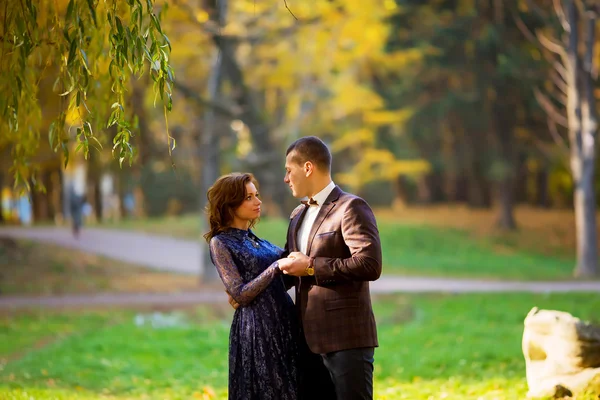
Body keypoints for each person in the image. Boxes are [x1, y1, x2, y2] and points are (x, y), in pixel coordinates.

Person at [229, 136, 383, 400]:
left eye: (289, 170)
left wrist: (311, 266)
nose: (286, 179)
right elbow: (289, 269)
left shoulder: (350, 207)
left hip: (346, 339)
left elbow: (369, 264)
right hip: (305, 342)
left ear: (308, 168)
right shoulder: (297, 215)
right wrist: (247, 292)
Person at [205, 172, 300, 400]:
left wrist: (299, 217)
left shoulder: (254, 238)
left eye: (256, 195)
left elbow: (285, 273)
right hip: (257, 331)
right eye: (248, 197)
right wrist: (276, 266)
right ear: (230, 203)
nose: (257, 202)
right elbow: (240, 294)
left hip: (284, 322)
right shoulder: (220, 243)